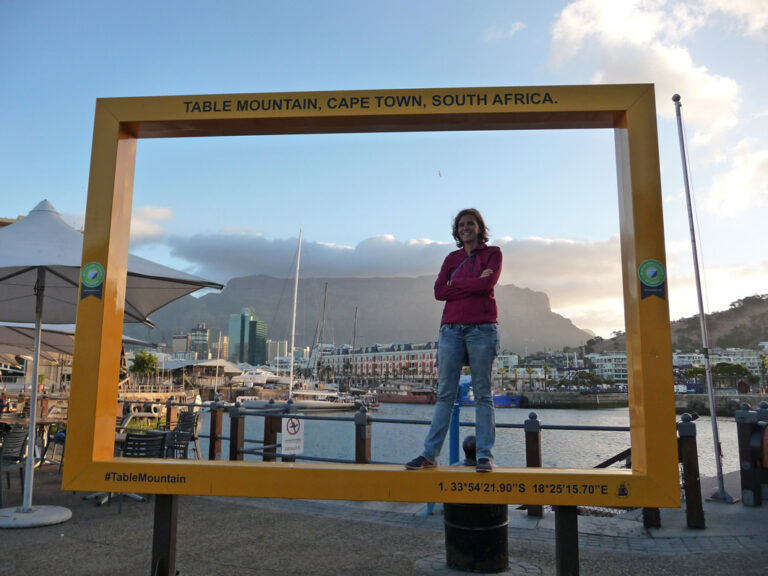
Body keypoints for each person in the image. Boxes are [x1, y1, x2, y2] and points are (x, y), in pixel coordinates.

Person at [406, 208, 501, 472]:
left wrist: (456, 284)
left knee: (483, 394)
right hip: (450, 330)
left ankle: (484, 455)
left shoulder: (493, 254)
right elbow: (438, 291)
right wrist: (472, 282)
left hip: (482, 329)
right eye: (461, 225)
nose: (465, 228)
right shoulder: (452, 258)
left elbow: (487, 285)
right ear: (457, 230)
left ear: (479, 227)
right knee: (445, 394)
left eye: (470, 224)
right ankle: (429, 455)